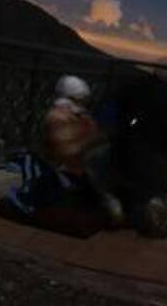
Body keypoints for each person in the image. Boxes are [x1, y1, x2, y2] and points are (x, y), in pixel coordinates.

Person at [41, 75, 124, 224]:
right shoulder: (58, 117)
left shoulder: (77, 115)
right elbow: (65, 151)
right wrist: (93, 141)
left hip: (82, 165)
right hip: (70, 170)